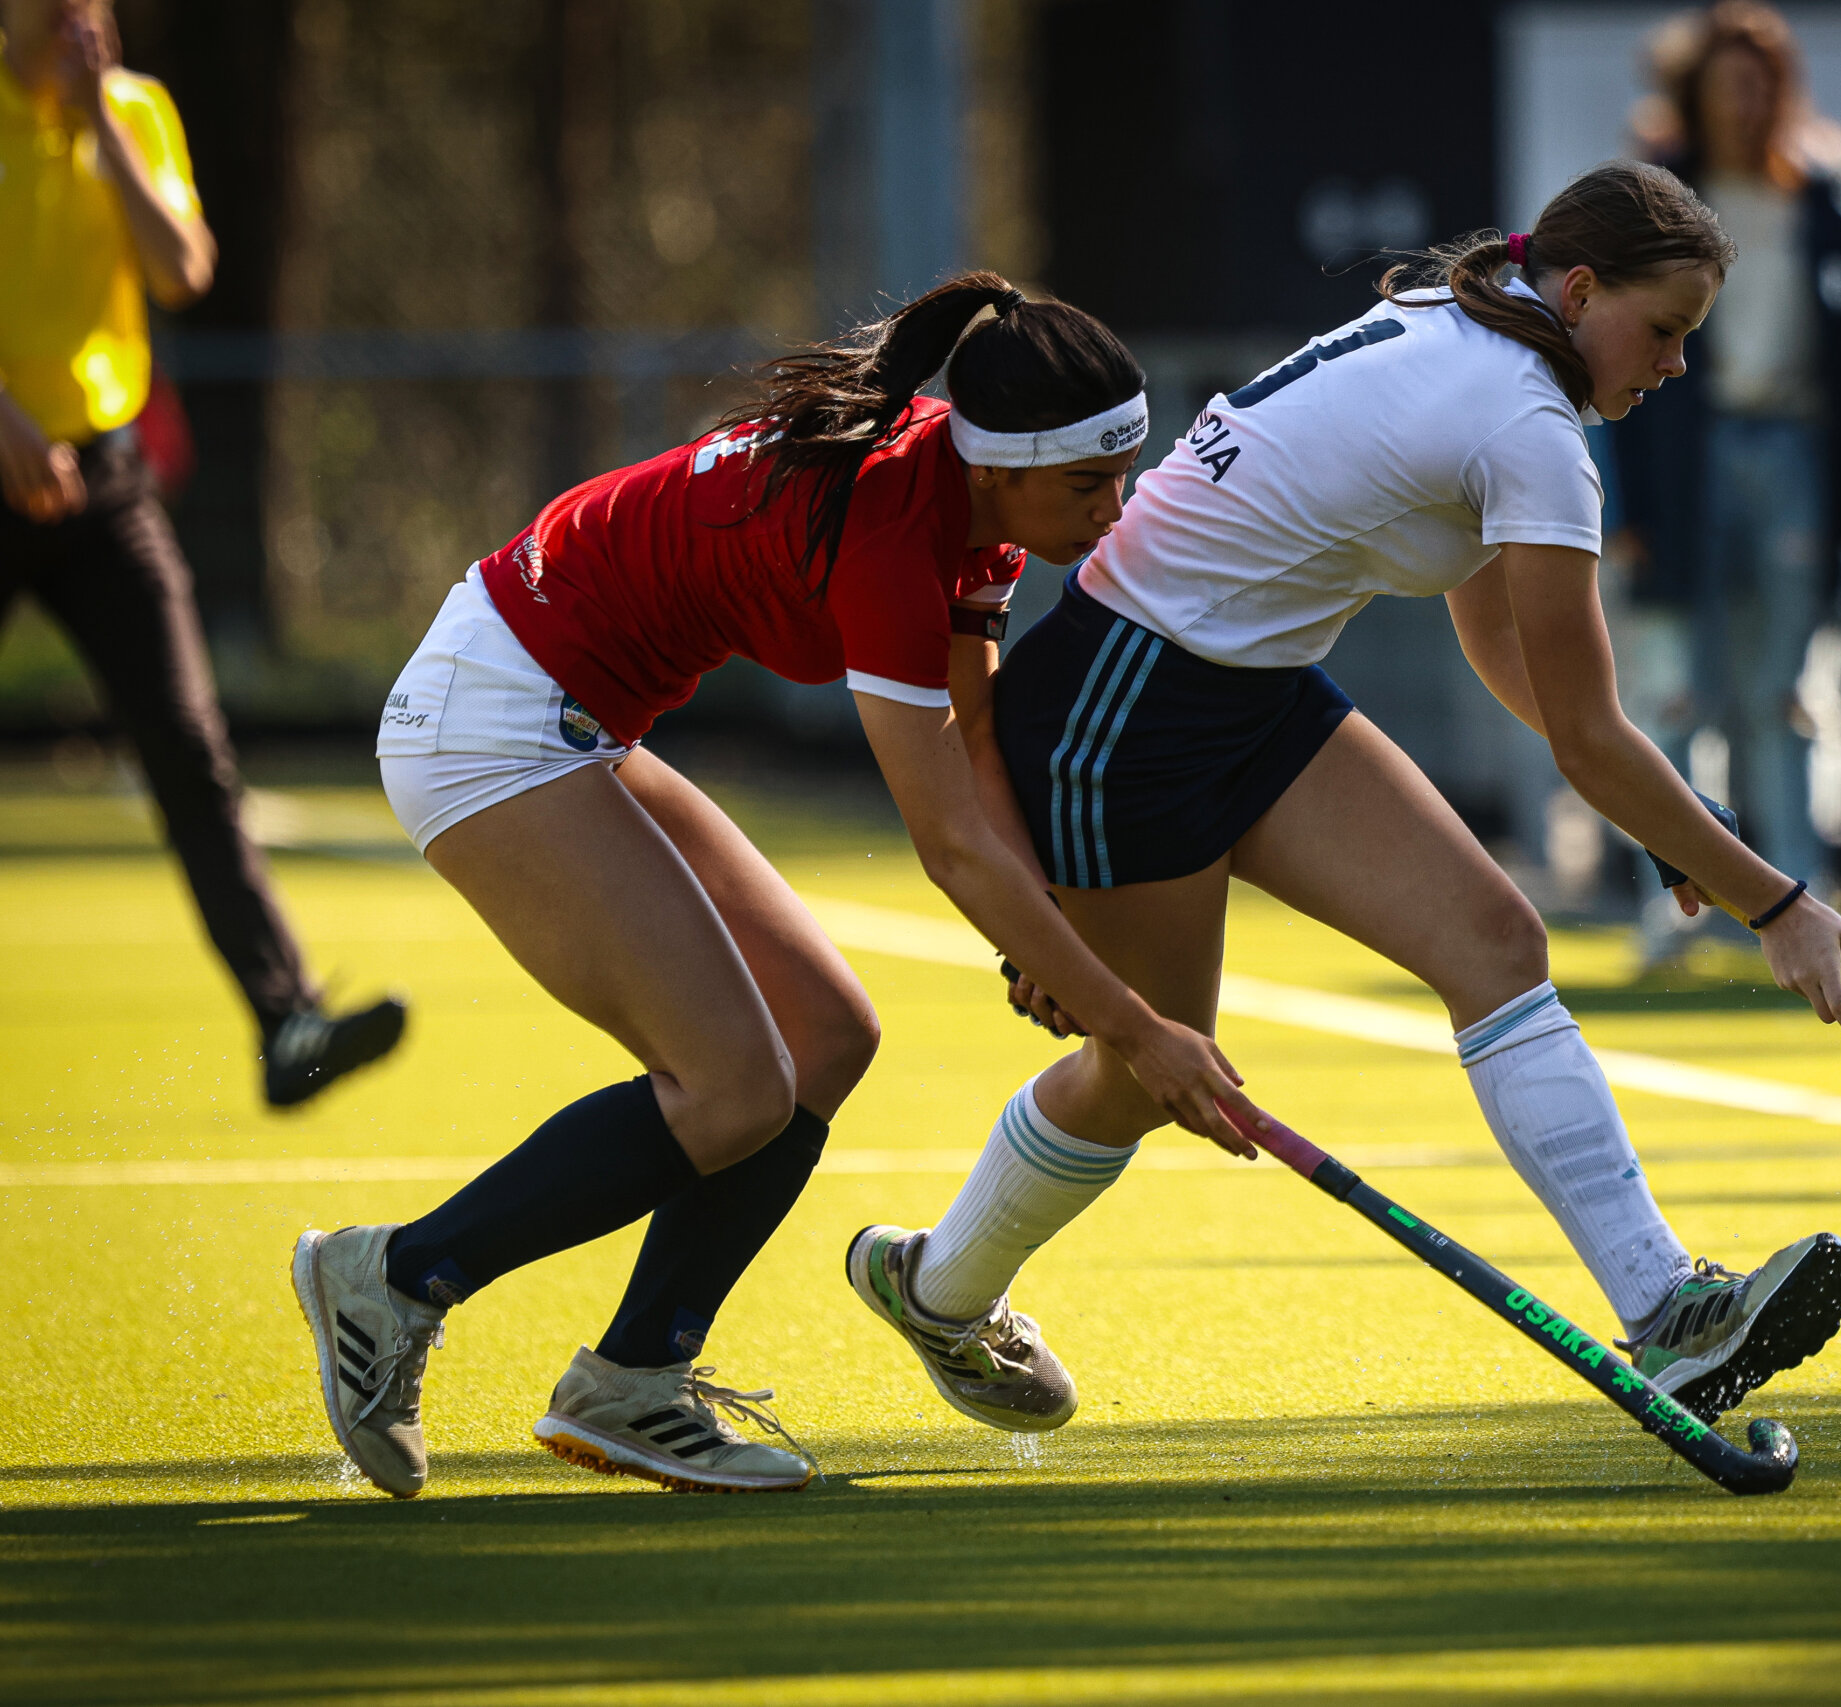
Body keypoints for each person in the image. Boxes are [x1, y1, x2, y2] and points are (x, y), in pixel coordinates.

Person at [845, 162, 1841, 1439]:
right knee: (1142, 1068)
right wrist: (1776, 903)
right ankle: (938, 1288)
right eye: (1663, 330)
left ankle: (1666, 1313)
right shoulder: (1525, 420)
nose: (1673, 365)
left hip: (1250, 689)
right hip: (1127, 703)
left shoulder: (1473, 330)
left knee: (1495, 943)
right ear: (1580, 290)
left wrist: (1669, 827)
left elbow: (1501, 640)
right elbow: (1592, 735)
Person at [291, 275, 1257, 1498]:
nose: (1112, 513)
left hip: (577, 720)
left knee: (826, 1036)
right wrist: (1134, 1025)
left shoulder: (978, 515)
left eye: (1123, 475)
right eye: (1087, 485)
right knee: (736, 1086)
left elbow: (972, 735)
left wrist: (1047, 938)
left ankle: (633, 1382)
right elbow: (949, 845)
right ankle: (392, 1278)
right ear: (1002, 463)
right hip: (490, 724)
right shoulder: (891, 536)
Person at [0, 0, 404, 1107]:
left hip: (104, 481)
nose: (73, 19)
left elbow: (181, 269)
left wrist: (99, 123)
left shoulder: (134, 112)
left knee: (190, 749)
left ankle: (288, 1023)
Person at [1614, 1, 1841, 918]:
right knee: (1679, 690)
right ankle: (1675, 901)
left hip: (1796, 454)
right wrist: (1624, 505)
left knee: (1794, 689)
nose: (1744, 103)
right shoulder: (1663, 199)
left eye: (1760, 85)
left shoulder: (1826, 203)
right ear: (1696, 94)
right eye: (1727, 85)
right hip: (1686, 458)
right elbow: (1612, 354)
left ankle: (1802, 889)